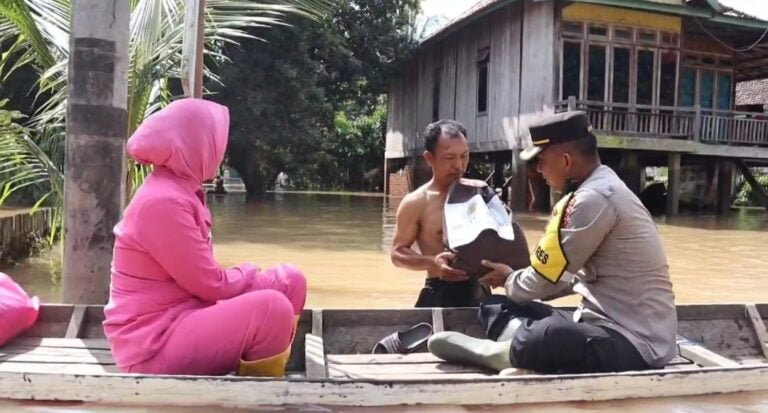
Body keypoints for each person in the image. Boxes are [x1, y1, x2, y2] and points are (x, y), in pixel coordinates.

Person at [428, 111, 677, 374]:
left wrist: (511, 280)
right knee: (496, 306)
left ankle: (506, 352)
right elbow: (567, 277)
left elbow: (547, 279)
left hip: (637, 341)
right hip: (596, 319)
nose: (538, 169)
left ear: (566, 160)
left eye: (541, 160)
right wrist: (512, 278)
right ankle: (519, 347)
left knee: (553, 335)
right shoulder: (600, 187)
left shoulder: (593, 199)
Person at [103, 98, 307, 377]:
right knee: (273, 309)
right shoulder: (162, 202)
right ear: (195, 145)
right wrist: (247, 271)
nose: (220, 152)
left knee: (290, 281)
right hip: (154, 344)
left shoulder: (182, 190)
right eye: (214, 143)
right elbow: (211, 285)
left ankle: (261, 365)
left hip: (188, 313)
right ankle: (258, 398)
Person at [390, 120, 528, 308]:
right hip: (440, 290)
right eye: (449, 158)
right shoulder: (416, 202)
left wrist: (507, 271)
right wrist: (433, 263)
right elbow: (397, 254)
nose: (459, 166)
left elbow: (506, 237)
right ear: (429, 158)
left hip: (480, 289)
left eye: (464, 156)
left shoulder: (480, 192)